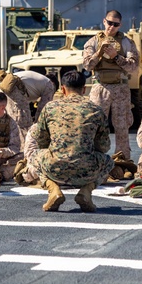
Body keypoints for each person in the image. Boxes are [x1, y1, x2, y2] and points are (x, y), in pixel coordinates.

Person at [31, 71, 113, 213]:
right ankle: (86, 192)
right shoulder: (96, 110)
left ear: (62, 89)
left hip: (55, 169)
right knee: (108, 161)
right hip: (87, 170)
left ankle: (53, 190)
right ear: (83, 89)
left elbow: (41, 141)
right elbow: (104, 147)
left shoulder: (50, 108)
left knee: (35, 156)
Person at [82, 10, 140, 163]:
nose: (111, 27)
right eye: (109, 23)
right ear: (104, 21)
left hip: (120, 88)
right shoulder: (93, 42)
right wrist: (99, 53)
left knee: (122, 126)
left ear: (120, 25)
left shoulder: (127, 42)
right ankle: (94, 160)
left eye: (115, 24)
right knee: (95, 124)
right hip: (100, 87)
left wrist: (116, 57)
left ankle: (123, 162)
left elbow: (133, 67)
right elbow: (87, 65)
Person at [0, 71, 34, 143]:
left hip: (15, 113)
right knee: (27, 131)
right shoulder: (15, 85)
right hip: (24, 111)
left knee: (18, 132)